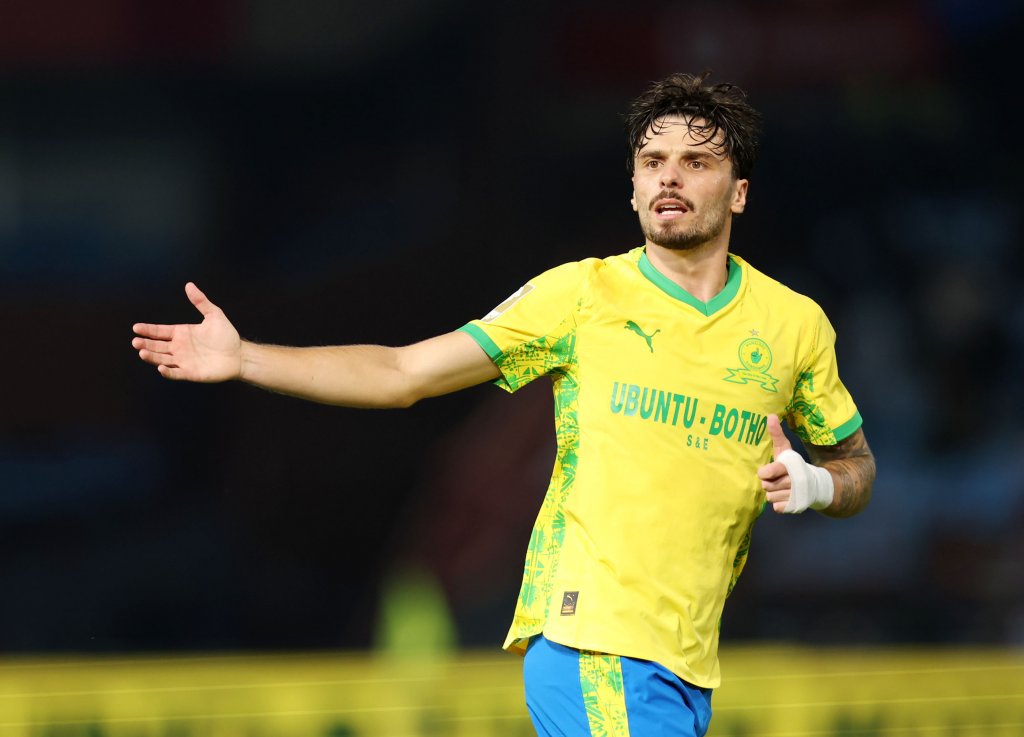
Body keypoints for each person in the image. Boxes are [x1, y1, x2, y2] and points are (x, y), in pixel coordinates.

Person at [132, 71, 875, 737]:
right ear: (633, 186)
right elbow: (403, 371)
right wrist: (247, 357)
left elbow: (856, 464)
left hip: (685, 663)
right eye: (652, 162)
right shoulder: (582, 296)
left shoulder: (793, 326)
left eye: (695, 161)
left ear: (739, 190)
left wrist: (814, 484)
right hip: (594, 647)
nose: (668, 178)